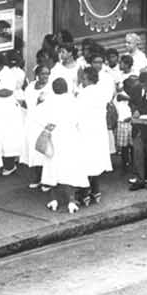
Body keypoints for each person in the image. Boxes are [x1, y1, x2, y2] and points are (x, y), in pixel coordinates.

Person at [39, 78, 87, 213]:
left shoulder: (48, 102)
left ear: (53, 89)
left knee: (52, 167)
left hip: (54, 136)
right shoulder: (74, 101)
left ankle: (53, 200)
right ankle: (71, 201)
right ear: (66, 88)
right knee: (69, 168)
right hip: (71, 137)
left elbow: (39, 118)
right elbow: (80, 120)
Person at [74, 66, 113, 206]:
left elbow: (76, 114)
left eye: (83, 78)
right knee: (95, 162)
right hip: (99, 132)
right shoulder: (102, 92)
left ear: (86, 78)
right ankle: (96, 190)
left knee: (84, 162)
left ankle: (84, 193)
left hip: (85, 132)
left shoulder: (84, 94)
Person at [0, 51, 25, 176]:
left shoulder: (8, 74)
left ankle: (10, 165)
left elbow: (8, 91)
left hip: (7, 110)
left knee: (7, 138)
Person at [20, 63, 53, 189]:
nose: (45, 76)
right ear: (37, 75)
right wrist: (37, 102)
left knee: (45, 150)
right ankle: (37, 177)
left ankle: (47, 180)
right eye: (43, 73)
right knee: (34, 150)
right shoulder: (30, 87)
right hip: (32, 122)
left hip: (44, 123)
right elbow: (28, 104)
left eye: (47, 73)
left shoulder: (50, 87)